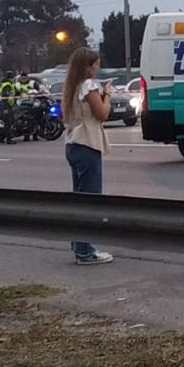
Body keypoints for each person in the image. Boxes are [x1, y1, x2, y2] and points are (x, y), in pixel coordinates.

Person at [62, 47, 114, 265]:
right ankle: (85, 251)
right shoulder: (88, 85)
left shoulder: (71, 87)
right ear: (87, 67)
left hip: (73, 144)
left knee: (79, 197)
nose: (98, 67)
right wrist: (107, 95)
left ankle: (78, 244)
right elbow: (102, 113)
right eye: (95, 64)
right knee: (90, 200)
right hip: (87, 144)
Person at [0, 71, 18, 144]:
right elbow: (5, 96)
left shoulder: (4, 83)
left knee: (6, 122)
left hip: (3, 104)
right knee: (8, 122)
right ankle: (8, 139)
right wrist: (6, 107)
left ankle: (0, 138)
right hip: (5, 105)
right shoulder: (8, 85)